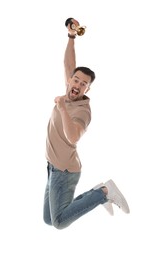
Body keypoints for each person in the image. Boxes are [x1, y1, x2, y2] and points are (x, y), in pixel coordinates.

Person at [43, 18, 130, 230]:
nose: (78, 85)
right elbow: (68, 63)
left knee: (60, 222)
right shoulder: (69, 90)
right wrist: (71, 36)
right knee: (48, 219)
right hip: (52, 168)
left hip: (65, 171)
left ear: (87, 90)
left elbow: (73, 136)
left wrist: (63, 108)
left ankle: (104, 193)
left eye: (84, 84)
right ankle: (98, 193)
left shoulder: (83, 111)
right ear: (70, 80)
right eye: (76, 80)